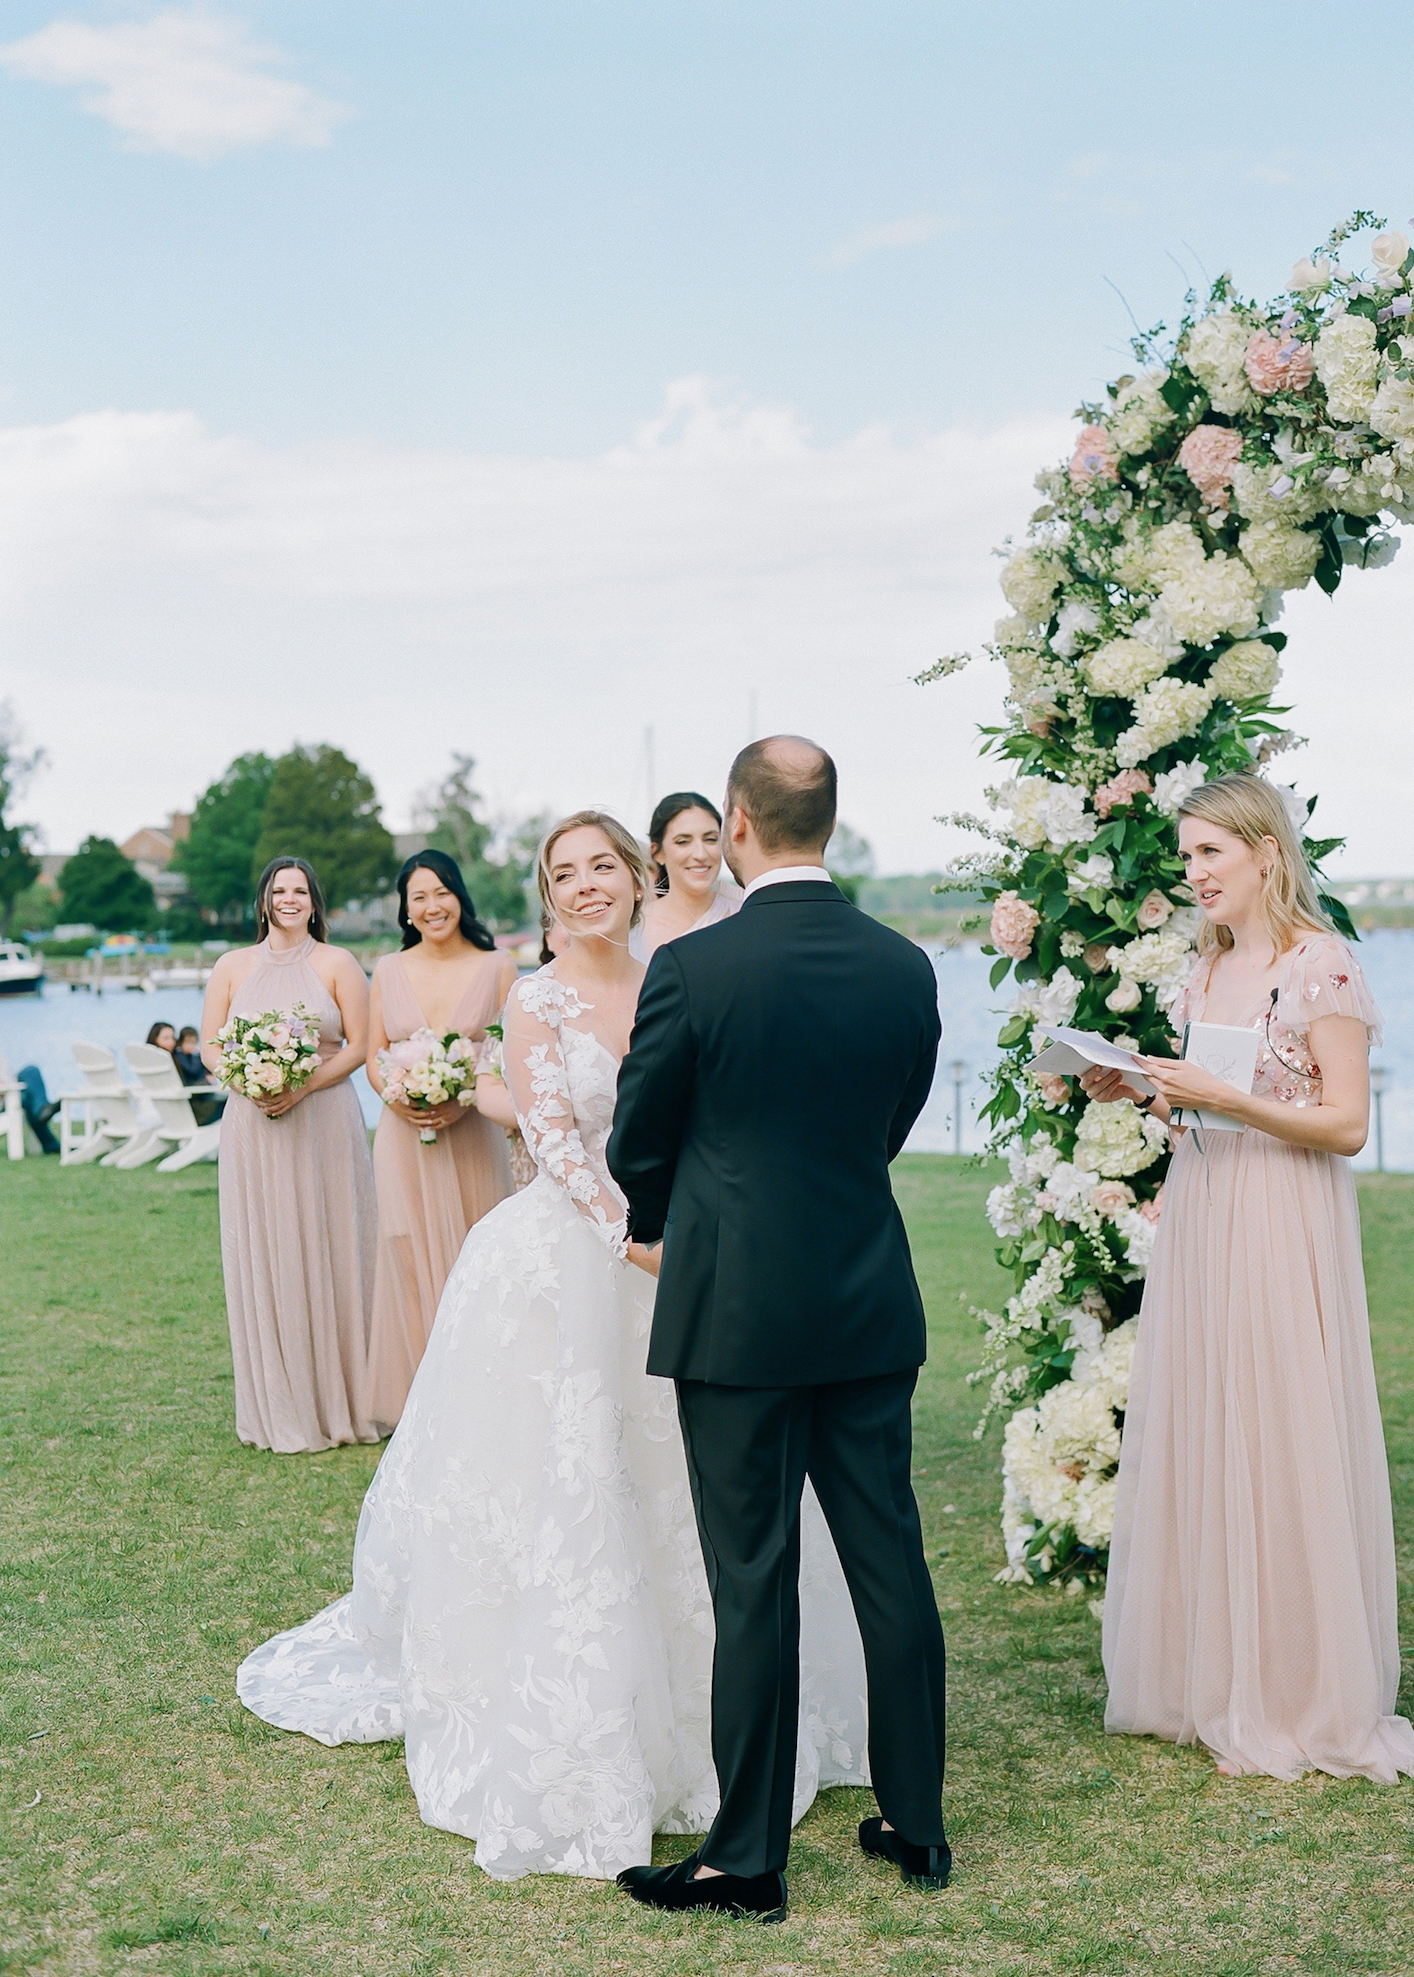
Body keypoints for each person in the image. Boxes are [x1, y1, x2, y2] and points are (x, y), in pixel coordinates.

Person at [236, 811, 869, 1882]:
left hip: (692, 1263)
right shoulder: (533, 1000)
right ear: (545, 895)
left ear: (637, 876)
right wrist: (628, 1236)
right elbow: (549, 1136)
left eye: (600, 868)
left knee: (695, 1492)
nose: (584, 888)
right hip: (572, 1259)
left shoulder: (686, 972)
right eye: (562, 874)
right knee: (570, 1484)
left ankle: (725, 1716)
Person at [608, 736, 949, 1922]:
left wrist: (662, 1218)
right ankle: (914, 1822)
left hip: (735, 1315)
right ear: (829, 824)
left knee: (751, 1581)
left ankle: (745, 1857)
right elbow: (890, 1122)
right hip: (864, 1298)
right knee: (889, 1561)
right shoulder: (907, 967)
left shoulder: (694, 967)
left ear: (739, 827)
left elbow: (637, 1138)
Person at [1087, 774, 1414, 1785]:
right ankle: (1214, 1671)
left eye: (1208, 854)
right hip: (1203, 1212)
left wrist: (1217, 1091)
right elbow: (1205, 1119)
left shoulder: (1318, 967)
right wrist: (1147, 1092)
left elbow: (1344, 1125)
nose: (1191, 874)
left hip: (1282, 1221)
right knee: (1211, 1422)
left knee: (1283, 1425)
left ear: (1264, 853)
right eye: (1183, 857)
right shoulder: (1203, 974)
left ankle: (1299, 1684)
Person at [200, 857, 380, 1455]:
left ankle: (342, 1403)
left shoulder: (338, 963)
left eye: (300, 891)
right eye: (280, 890)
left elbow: (358, 1046)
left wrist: (302, 1085)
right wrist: (244, 1077)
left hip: (324, 1121)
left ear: (314, 901)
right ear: (264, 899)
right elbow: (208, 1042)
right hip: (252, 1125)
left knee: (331, 1245)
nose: (289, 899)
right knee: (265, 1249)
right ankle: (279, 1404)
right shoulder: (232, 966)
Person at [362, 850, 518, 1427]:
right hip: (403, 1136)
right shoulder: (387, 969)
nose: (432, 906)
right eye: (419, 897)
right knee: (407, 1252)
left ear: (459, 896)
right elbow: (375, 1055)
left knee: (475, 1259)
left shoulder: (497, 966)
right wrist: (401, 1098)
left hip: (473, 1132)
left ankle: (480, 1401)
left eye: (441, 892)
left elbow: (509, 1053)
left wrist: (461, 1101)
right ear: (406, 908)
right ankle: (419, 1409)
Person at [631, 792, 742, 961]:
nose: (700, 854)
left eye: (711, 839)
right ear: (657, 852)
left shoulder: (744, 912)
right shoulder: (635, 927)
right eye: (683, 842)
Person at [174, 1025, 225, 1126]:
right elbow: (192, 1070)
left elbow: (204, 1069)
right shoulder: (181, 1056)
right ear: (181, 1042)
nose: (191, 1046)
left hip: (202, 1095)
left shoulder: (186, 1056)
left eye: (193, 1043)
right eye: (187, 1042)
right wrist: (196, 1056)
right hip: (198, 1102)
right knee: (227, 1102)